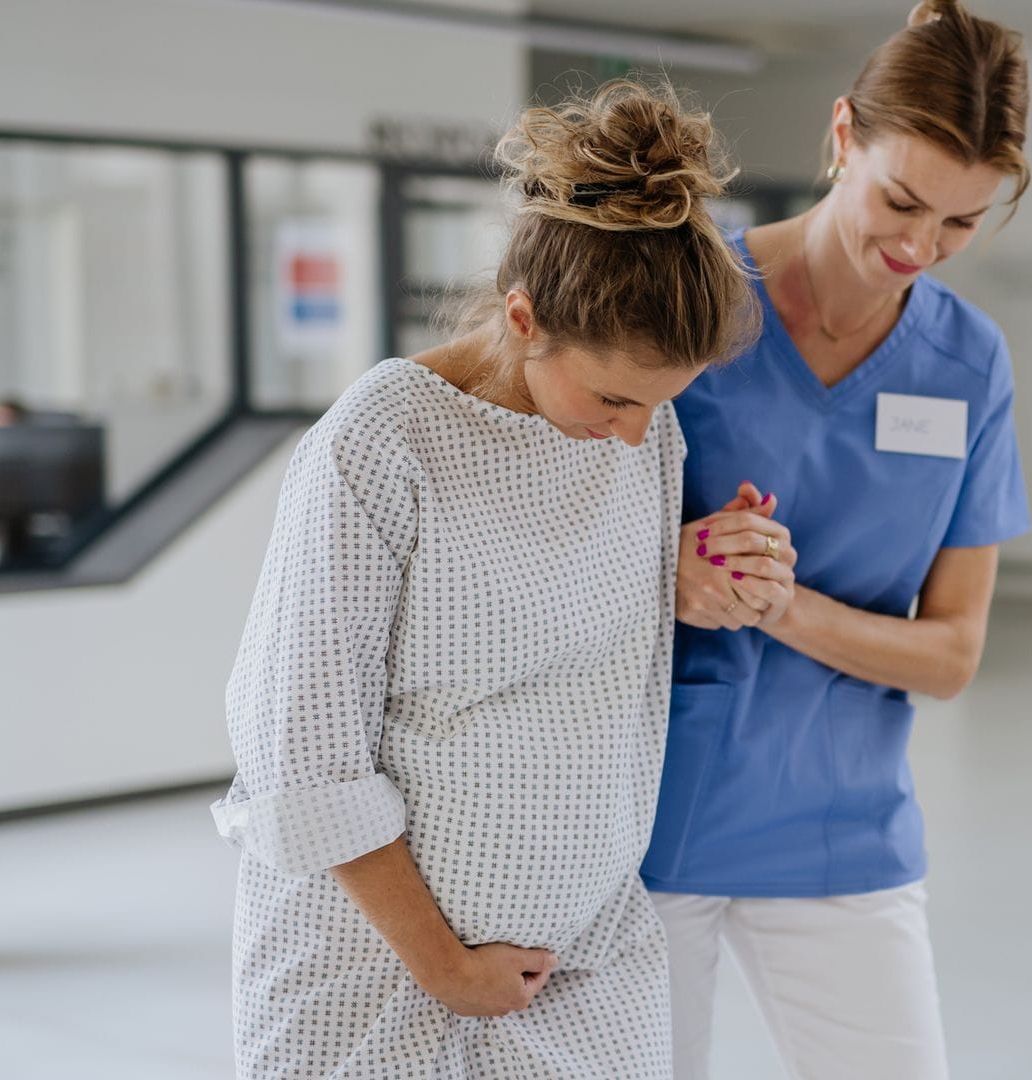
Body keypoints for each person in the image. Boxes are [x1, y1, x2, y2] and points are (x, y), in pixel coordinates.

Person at [210, 79, 770, 1079]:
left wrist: (704, 562)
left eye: (659, 403)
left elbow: (598, 634)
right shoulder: (383, 441)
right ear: (523, 315)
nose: (634, 432)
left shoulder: (643, 437)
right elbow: (302, 754)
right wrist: (444, 965)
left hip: (592, 970)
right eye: (613, 398)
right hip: (375, 979)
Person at [639, 3, 1032, 1077]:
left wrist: (782, 604)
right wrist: (667, 569)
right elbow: (547, 535)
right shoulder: (686, 299)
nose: (918, 246)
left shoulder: (967, 366)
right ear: (842, 135)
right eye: (901, 200)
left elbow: (952, 654)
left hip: (841, 831)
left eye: (959, 224)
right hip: (638, 822)